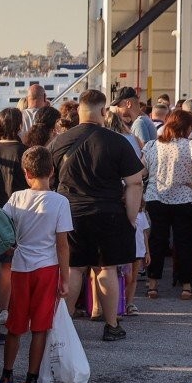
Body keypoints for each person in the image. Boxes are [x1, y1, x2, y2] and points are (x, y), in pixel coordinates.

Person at [48, 89, 143, 342]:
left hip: (70, 213)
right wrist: (131, 218)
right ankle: (111, 325)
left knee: (74, 269)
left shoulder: (59, 142)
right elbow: (135, 183)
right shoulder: (117, 141)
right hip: (108, 213)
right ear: (103, 111)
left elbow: (47, 181)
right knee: (106, 269)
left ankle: (65, 328)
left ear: (79, 110)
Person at [0, 145, 73, 383]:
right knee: (40, 327)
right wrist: (66, 277)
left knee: (15, 327)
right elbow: (62, 244)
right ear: (52, 171)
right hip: (47, 268)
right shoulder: (60, 201)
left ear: (25, 172)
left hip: (20, 267)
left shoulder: (17, 198)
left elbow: (4, 225)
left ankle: (6, 378)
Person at [142, 109, 192, 302]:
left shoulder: (152, 146)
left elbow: (141, 171)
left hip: (156, 196)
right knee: (184, 242)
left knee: (157, 241)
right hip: (185, 199)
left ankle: (152, 285)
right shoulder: (191, 146)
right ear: (188, 127)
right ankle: (186, 287)